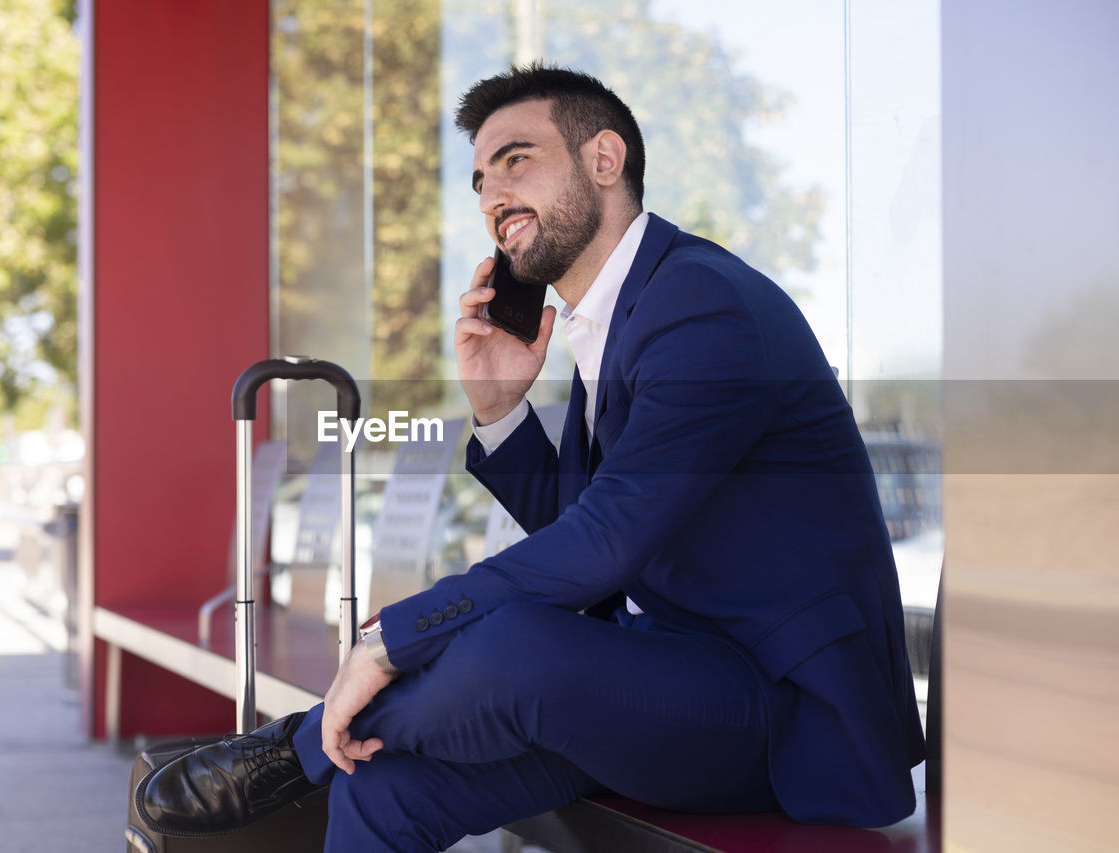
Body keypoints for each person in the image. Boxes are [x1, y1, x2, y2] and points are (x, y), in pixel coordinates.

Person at [137, 63, 925, 851]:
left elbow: (605, 540)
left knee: (516, 646)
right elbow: (602, 539)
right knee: (384, 785)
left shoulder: (703, 302)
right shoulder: (609, 325)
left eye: (517, 160)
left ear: (604, 161)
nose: (491, 197)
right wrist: (501, 410)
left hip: (785, 709)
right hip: (661, 680)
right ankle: (308, 749)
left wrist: (386, 641)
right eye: (480, 179)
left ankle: (293, 750)